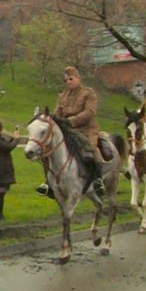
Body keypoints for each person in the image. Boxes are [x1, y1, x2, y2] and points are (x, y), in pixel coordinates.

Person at [36, 66, 105, 197]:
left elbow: (90, 112)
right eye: (66, 80)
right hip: (67, 129)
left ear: (78, 78)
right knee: (49, 150)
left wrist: (71, 121)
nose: (68, 82)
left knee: (90, 149)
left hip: (86, 129)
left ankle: (97, 179)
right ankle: (48, 183)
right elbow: (58, 113)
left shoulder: (89, 93)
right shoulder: (62, 96)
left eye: (71, 79)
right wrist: (52, 119)